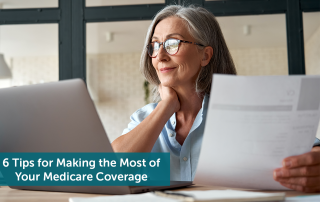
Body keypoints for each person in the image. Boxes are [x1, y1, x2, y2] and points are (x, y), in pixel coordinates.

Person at [111, 5, 320, 193]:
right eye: (154, 46)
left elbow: (310, 149)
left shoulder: (243, 111)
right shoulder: (143, 118)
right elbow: (111, 171)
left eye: (173, 43)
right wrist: (166, 107)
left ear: (205, 55)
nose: (161, 55)